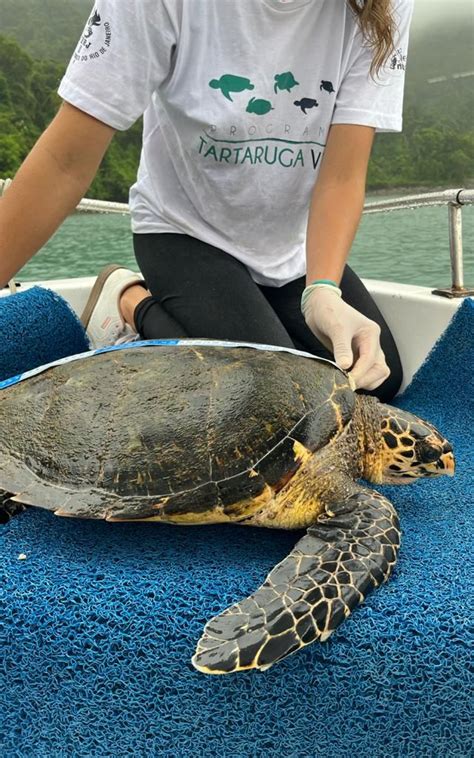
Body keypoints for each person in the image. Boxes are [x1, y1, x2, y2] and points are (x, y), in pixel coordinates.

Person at [0, 0, 414, 401]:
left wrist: (323, 290)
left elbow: (341, 176)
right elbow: (63, 164)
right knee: (269, 394)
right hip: (185, 231)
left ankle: (250, 310)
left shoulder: (379, 6)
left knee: (379, 375)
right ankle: (131, 301)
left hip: (291, 246)